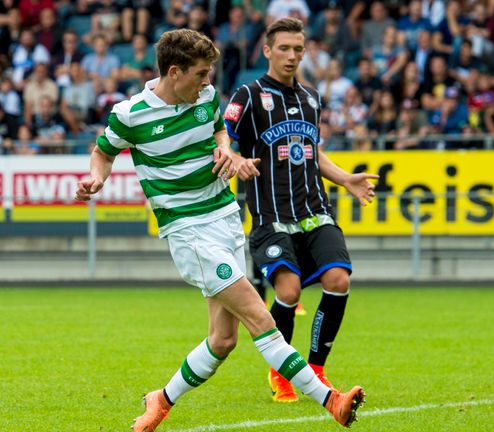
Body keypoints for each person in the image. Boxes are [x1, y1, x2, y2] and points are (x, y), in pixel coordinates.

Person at [74, 28, 365, 431]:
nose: (208, 82)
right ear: (174, 72)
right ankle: (329, 399)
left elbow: (220, 131)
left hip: (226, 220)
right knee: (259, 316)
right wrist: (96, 178)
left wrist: (225, 147)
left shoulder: (206, 98)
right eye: (200, 74)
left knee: (223, 340)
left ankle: (161, 400)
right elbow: (103, 152)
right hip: (189, 232)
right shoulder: (130, 115)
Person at [223, 18, 378, 404]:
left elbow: (312, 151)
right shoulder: (249, 95)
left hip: (314, 209)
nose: (292, 56)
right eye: (284, 49)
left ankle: (317, 368)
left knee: (339, 280)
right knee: (288, 291)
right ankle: (281, 370)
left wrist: (345, 179)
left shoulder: (311, 98)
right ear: (267, 50)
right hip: (270, 215)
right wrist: (236, 159)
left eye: (298, 49)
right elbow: (223, 138)